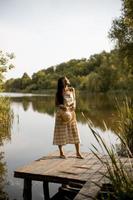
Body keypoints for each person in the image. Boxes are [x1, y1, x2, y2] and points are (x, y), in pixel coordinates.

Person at [53, 76, 83, 159]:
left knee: (74, 132)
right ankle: (61, 153)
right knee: (60, 133)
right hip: (62, 114)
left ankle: (78, 153)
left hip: (71, 113)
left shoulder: (72, 89)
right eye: (66, 79)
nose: (68, 79)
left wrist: (74, 106)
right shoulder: (58, 93)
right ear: (63, 82)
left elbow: (75, 100)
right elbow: (56, 104)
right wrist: (62, 106)